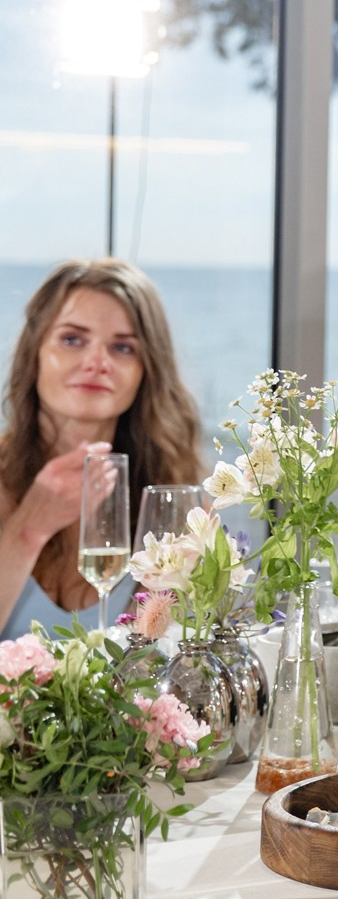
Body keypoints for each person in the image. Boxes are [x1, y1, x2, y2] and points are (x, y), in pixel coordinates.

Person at [0, 261, 204, 636]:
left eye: (123, 347)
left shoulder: (171, 502)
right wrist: (28, 528)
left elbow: (162, 664)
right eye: (72, 339)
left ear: (146, 370)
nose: (97, 362)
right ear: (34, 353)